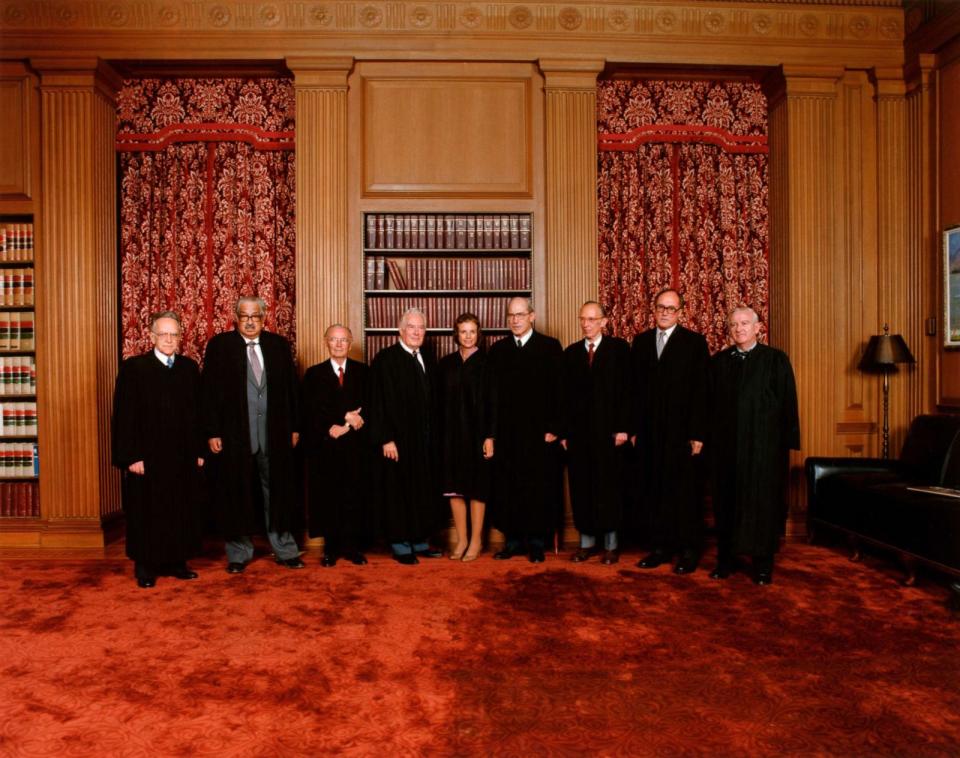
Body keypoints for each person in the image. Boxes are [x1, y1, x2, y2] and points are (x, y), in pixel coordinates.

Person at [201, 296, 304, 573]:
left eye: (255, 316)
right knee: (236, 493)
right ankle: (238, 553)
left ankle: (284, 549)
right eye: (244, 316)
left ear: (264, 317)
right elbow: (208, 393)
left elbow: (292, 391)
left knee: (279, 493)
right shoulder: (220, 347)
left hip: (274, 435)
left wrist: (294, 427)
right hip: (235, 436)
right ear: (236, 317)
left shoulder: (278, 346)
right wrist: (212, 431)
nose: (249, 321)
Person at [111, 311, 205, 588]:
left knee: (180, 509)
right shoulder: (134, 368)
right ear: (151, 337)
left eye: (173, 334)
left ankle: (177, 562)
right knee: (146, 511)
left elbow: (199, 414)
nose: (168, 339)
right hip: (147, 458)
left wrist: (200, 451)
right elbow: (124, 416)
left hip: (181, 456)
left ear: (180, 338)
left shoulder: (189, 368)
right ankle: (146, 566)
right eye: (163, 334)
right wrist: (131, 456)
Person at [709, 306, 800, 585]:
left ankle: (762, 564)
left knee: (762, 504)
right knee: (727, 503)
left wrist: (785, 444)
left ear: (758, 328)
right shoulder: (720, 362)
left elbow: (787, 403)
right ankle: (726, 559)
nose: (739, 329)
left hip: (764, 449)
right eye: (734, 324)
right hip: (727, 448)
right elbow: (709, 408)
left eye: (745, 323)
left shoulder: (775, 360)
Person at [631, 288, 710, 574]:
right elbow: (634, 392)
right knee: (655, 490)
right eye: (661, 307)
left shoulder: (694, 343)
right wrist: (635, 429)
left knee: (684, 493)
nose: (665, 312)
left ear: (681, 312)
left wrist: (698, 433)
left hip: (682, 434)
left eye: (671, 308)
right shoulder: (640, 343)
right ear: (654, 309)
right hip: (650, 433)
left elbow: (702, 392)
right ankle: (660, 548)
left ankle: (689, 550)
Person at [484, 296, 563, 563]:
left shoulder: (550, 347)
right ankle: (514, 541)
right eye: (511, 316)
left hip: (539, 434)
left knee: (538, 488)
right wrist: (491, 434)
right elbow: (491, 398)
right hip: (508, 435)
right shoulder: (498, 351)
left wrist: (555, 428)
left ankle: (537, 542)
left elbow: (560, 392)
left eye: (520, 315)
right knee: (509, 488)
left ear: (532, 316)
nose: (515, 320)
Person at [368, 307, 443, 564]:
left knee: (422, 490)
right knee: (398, 493)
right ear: (400, 330)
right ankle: (400, 544)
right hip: (397, 441)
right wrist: (385, 438)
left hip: (424, 440)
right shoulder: (385, 359)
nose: (416, 332)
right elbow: (376, 402)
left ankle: (420, 540)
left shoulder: (427, 358)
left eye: (421, 328)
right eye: (411, 327)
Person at [561, 301, 631, 565]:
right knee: (583, 488)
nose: (587, 324)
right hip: (579, 435)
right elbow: (564, 398)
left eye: (592, 319)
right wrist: (565, 433)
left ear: (604, 322)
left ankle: (611, 545)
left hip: (610, 435)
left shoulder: (619, 350)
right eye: (583, 319)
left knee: (609, 488)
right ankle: (586, 543)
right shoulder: (570, 354)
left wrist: (624, 427)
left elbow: (628, 392)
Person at [301, 324, 370, 567]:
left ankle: (353, 548)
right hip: (326, 448)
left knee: (354, 495)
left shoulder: (364, 373)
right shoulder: (314, 374)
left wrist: (346, 426)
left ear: (350, 344)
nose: (339, 344)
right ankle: (331, 549)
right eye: (334, 339)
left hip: (355, 448)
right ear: (326, 342)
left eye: (343, 340)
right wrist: (343, 418)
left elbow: (367, 408)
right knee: (329, 497)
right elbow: (312, 410)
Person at [437, 313, 490, 562]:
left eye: (472, 331)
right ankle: (462, 539)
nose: (467, 336)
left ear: (478, 333)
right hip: (451, 434)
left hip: (477, 434)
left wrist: (490, 436)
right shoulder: (446, 364)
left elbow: (493, 404)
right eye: (463, 331)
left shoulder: (487, 364)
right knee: (455, 489)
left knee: (476, 487)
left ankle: (477, 540)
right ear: (455, 334)